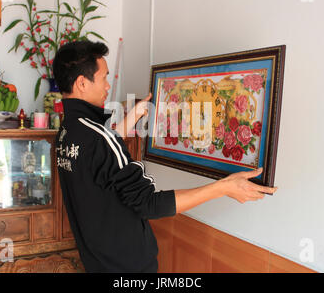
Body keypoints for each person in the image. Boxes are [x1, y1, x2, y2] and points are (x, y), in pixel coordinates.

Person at [52, 40, 277, 273]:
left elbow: (99, 156)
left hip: (97, 262)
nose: (108, 86)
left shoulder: (68, 131)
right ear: (81, 83)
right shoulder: (97, 138)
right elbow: (148, 204)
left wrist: (133, 118)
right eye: (104, 78)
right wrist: (223, 187)